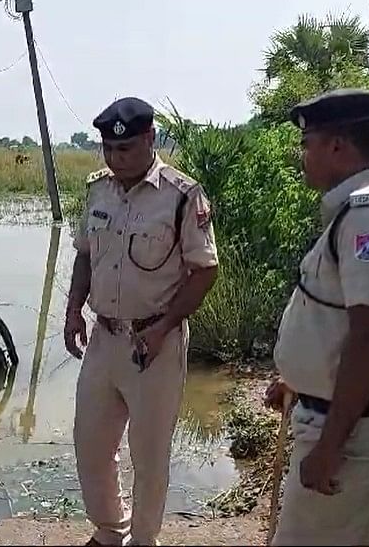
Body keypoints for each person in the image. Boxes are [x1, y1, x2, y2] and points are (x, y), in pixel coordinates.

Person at [263, 88, 369, 546]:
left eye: (307, 143)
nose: (303, 155)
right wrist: (301, 377)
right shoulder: (368, 207)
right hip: (347, 410)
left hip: (350, 427)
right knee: (358, 535)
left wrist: (330, 447)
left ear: (336, 146)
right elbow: (339, 321)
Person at [64, 96, 220, 546]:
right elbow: (85, 255)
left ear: (150, 139)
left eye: (126, 149)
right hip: (104, 337)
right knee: (91, 444)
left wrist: (165, 326)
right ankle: (111, 531)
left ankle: (143, 539)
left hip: (155, 341)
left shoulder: (182, 195)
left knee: (149, 455)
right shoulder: (99, 190)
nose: (116, 159)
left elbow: (205, 269)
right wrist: (75, 310)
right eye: (109, 151)